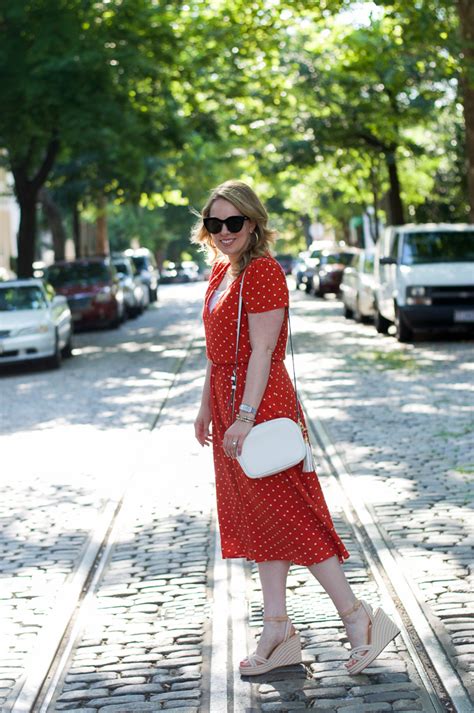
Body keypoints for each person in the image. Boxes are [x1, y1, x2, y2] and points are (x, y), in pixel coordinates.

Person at [192, 180, 399, 676]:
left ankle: (359, 621)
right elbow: (216, 354)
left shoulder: (261, 272)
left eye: (234, 222)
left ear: (254, 222)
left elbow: (263, 351)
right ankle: (278, 629)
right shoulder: (222, 272)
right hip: (230, 403)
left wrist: (243, 416)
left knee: (293, 517)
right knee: (263, 523)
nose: (224, 232)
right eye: (214, 223)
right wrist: (205, 408)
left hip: (259, 407)